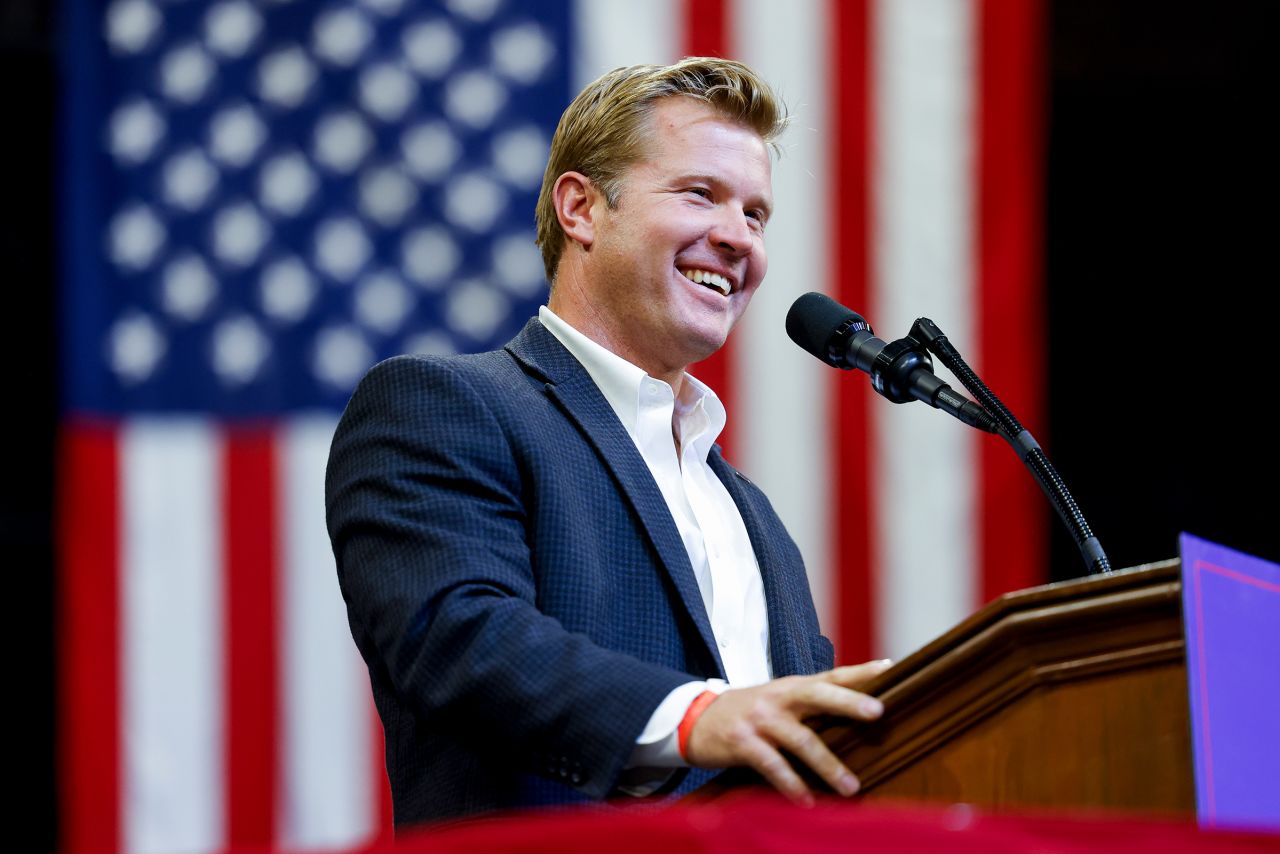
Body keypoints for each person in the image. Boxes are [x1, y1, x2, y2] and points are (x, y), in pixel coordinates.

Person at [326, 57, 890, 828]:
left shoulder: (751, 514)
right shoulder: (445, 406)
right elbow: (454, 639)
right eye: (700, 194)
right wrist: (693, 719)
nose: (736, 238)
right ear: (582, 209)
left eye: (756, 215)